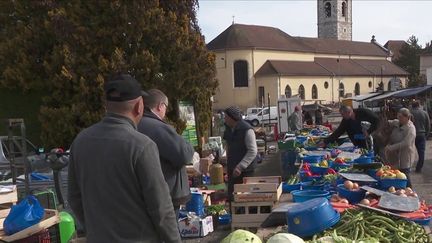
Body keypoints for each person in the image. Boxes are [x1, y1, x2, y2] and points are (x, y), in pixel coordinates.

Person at [68, 74, 181, 243]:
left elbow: (74, 197)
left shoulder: (81, 141)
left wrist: (95, 229)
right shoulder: (141, 146)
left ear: (106, 105)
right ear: (139, 106)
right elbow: (160, 208)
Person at [137, 89, 195, 219]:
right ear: (160, 106)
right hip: (166, 190)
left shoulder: (136, 124)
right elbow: (184, 153)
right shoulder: (158, 127)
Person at [223, 106, 258, 201]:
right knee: (232, 196)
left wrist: (240, 166)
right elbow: (228, 147)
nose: (224, 119)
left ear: (232, 118)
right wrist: (227, 165)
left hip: (245, 171)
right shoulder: (228, 129)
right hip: (232, 169)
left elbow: (252, 151)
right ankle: (234, 215)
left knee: (244, 198)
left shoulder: (247, 130)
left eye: (226, 117)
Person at [385, 108, 417, 188]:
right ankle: (400, 189)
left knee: (405, 175)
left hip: (405, 155)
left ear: (407, 117)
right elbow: (389, 122)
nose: (399, 119)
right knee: (397, 174)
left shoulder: (411, 128)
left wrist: (391, 147)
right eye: (398, 117)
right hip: (395, 156)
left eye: (401, 117)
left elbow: (406, 143)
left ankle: (410, 192)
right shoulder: (397, 122)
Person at [411, 101, 430, 173]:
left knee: (410, 152)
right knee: (421, 153)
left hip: (412, 135)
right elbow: (428, 125)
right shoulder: (424, 113)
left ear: (412, 106)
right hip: (422, 134)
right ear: (419, 105)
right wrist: (426, 135)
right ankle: (419, 168)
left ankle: (408, 166)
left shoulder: (410, 113)